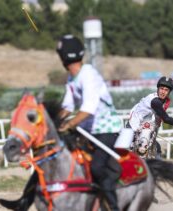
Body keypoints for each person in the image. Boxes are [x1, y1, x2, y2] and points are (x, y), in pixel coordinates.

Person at [56, 34, 123, 211]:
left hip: (107, 129)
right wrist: (56, 121)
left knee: (97, 166)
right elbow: (67, 107)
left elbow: (88, 109)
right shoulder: (71, 79)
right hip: (88, 130)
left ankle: (113, 206)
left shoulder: (88, 74)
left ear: (62, 57)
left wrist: (69, 125)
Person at [126, 76, 173, 158]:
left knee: (156, 149)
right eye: (161, 88)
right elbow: (166, 119)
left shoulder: (158, 99)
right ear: (157, 89)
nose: (163, 92)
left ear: (169, 92)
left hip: (142, 128)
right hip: (132, 128)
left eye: (166, 90)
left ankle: (160, 169)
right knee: (126, 151)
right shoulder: (155, 101)